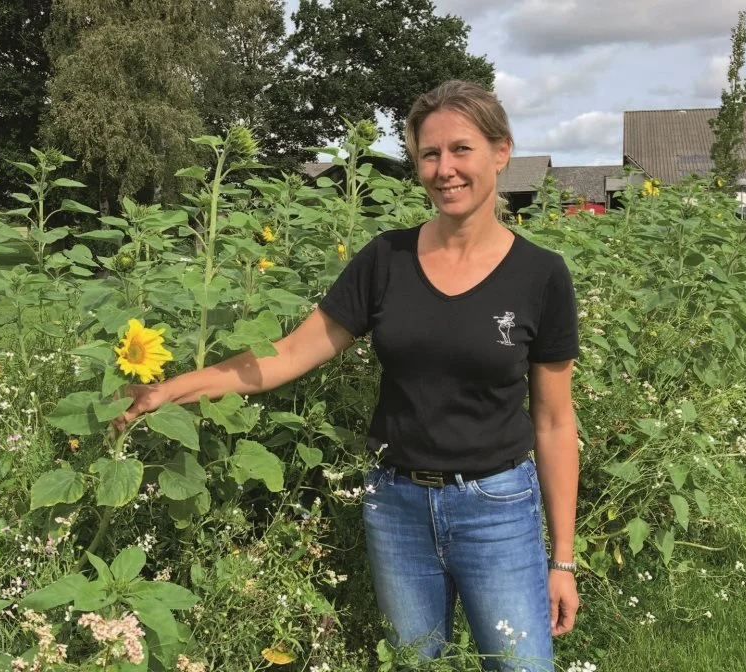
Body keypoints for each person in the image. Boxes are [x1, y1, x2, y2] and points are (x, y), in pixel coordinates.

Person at [113, 79, 580, 671]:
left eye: (461, 149)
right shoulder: (386, 260)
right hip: (397, 505)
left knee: (520, 666)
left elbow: (555, 421)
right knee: (413, 663)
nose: (444, 169)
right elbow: (284, 356)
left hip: (497, 505)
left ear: (501, 151)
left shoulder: (540, 275)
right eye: (429, 154)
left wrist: (561, 560)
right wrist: (167, 390)